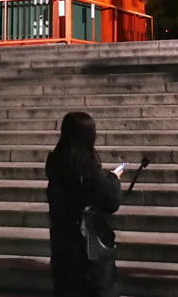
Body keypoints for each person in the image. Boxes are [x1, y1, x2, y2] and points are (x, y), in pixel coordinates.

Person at [45, 111, 125, 297]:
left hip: (62, 250)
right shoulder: (88, 169)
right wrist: (113, 179)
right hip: (87, 253)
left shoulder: (56, 166)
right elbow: (111, 201)